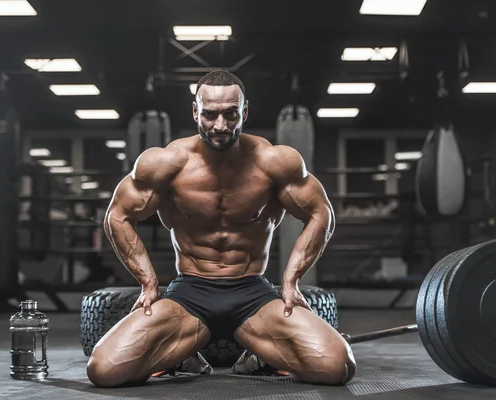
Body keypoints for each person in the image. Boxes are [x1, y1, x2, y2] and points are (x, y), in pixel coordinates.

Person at [86, 70, 356, 388]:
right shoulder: (166, 163)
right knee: (103, 371)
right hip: (190, 294)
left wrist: (291, 279)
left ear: (244, 111)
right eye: (210, 114)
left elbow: (320, 212)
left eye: (230, 114)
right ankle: (181, 355)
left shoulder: (274, 162)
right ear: (195, 111)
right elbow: (117, 216)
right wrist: (148, 284)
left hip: (252, 293)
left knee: (338, 367)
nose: (220, 126)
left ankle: (256, 358)